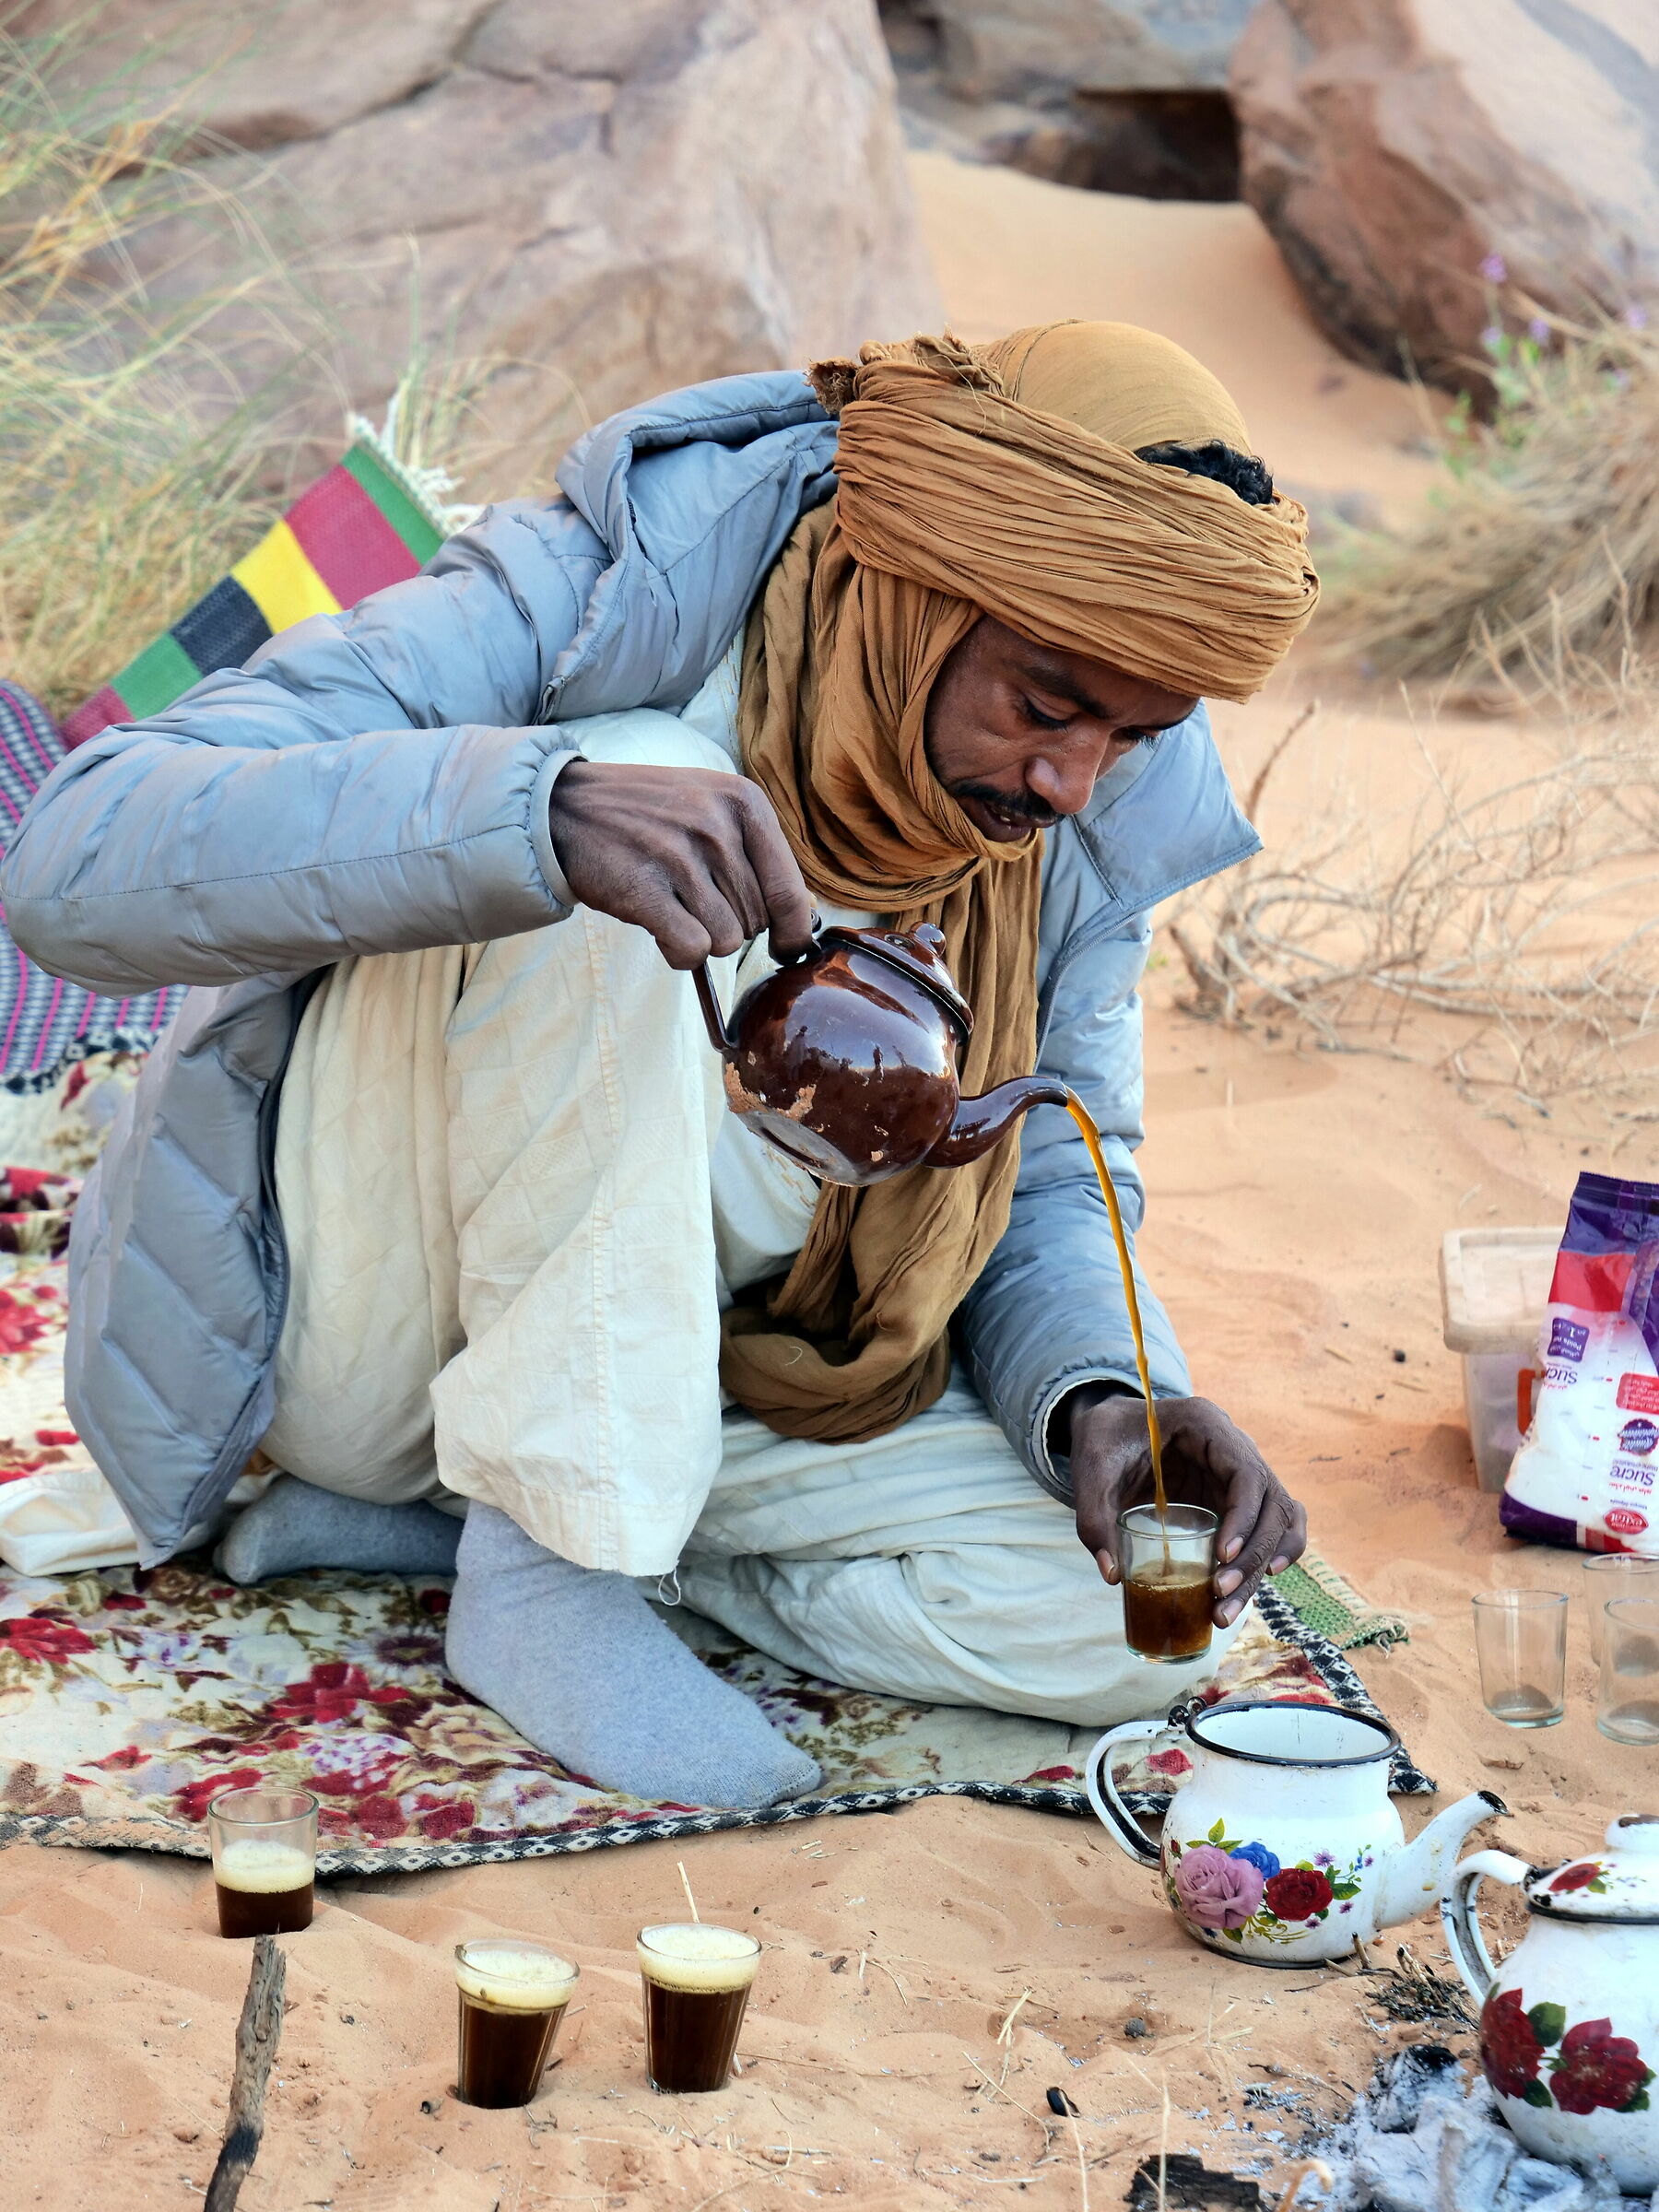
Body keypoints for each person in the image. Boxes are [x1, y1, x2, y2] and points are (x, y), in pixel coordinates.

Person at [3, 322, 1318, 1808]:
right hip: (365, 1313)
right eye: (1045, 703)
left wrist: (1106, 1397)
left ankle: (521, 1524)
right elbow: (75, 853)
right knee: (647, 792)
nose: (1070, 782)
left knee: (1137, 1628)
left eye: (1132, 737)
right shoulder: (608, 581)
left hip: (691, 1362)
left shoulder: (1093, 796)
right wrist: (537, 815)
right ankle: (552, 1571)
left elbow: (1059, 1160)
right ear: (912, 586)